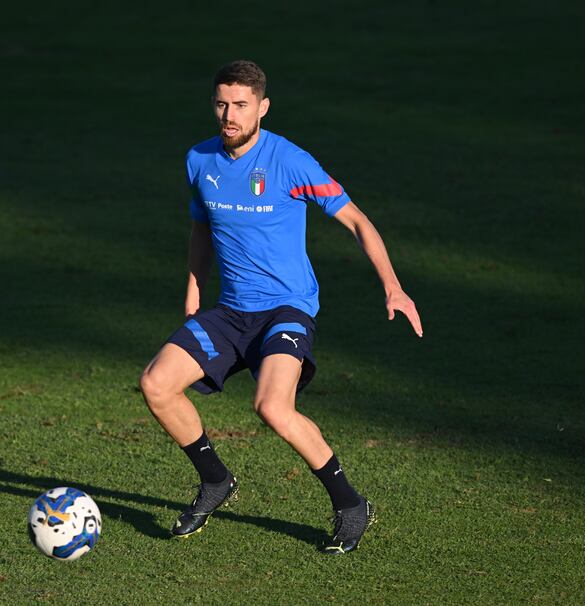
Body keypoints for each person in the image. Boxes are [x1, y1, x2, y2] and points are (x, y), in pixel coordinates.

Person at [139, 60, 422, 554]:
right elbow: (201, 226)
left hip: (285, 309)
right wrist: (192, 288)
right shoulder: (198, 160)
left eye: (241, 106)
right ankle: (215, 480)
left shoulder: (290, 161)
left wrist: (393, 285)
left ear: (262, 108)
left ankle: (350, 504)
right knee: (156, 384)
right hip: (229, 313)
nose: (229, 115)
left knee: (271, 406)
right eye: (222, 104)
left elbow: (356, 219)